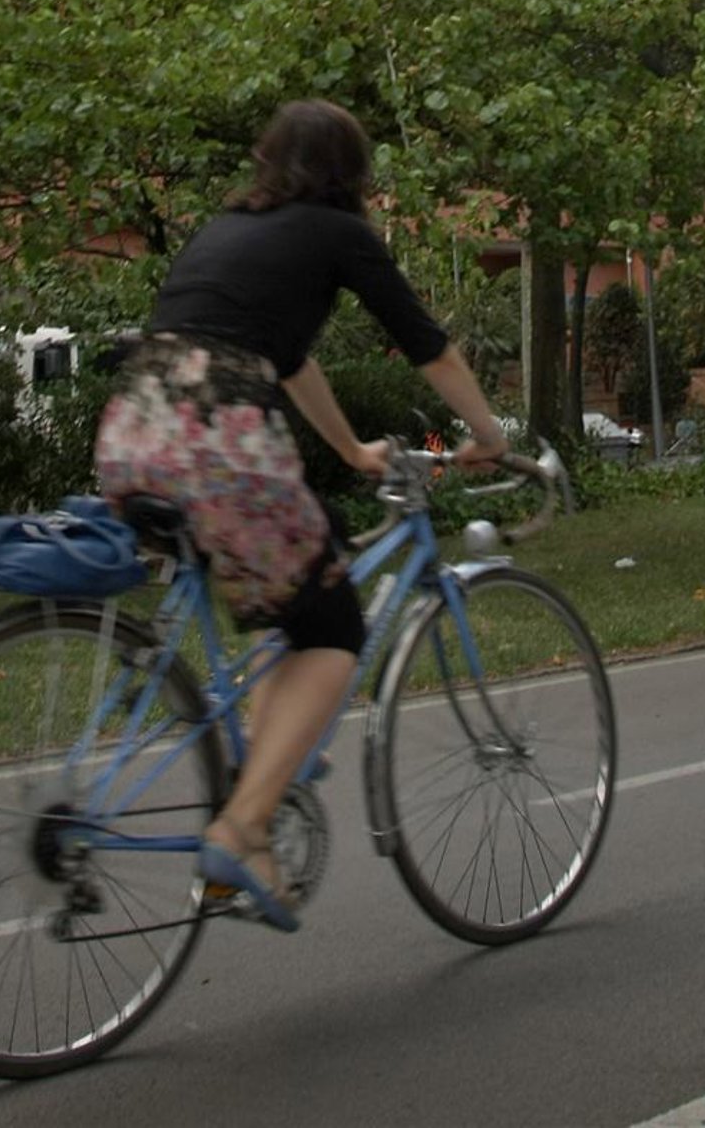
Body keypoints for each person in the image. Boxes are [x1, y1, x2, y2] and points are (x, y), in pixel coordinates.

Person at [93, 100, 507, 933]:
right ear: (351, 173)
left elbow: (288, 361)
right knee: (334, 626)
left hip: (132, 427)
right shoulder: (339, 231)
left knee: (295, 587)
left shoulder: (229, 229)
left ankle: (259, 777)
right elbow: (427, 344)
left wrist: (350, 448)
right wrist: (490, 433)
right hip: (217, 434)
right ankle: (242, 828)